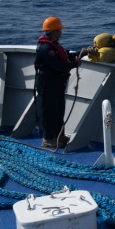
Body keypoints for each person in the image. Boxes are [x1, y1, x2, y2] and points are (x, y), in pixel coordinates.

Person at [34, 16, 91, 149]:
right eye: (59, 30)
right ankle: (48, 139)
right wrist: (74, 64)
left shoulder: (54, 46)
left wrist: (82, 53)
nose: (61, 33)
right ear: (52, 32)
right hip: (47, 85)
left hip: (57, 85)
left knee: (59, 110)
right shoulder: (46, 49)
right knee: (49, 112)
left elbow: (66, 55)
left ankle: (60, 136)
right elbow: (60, 66)